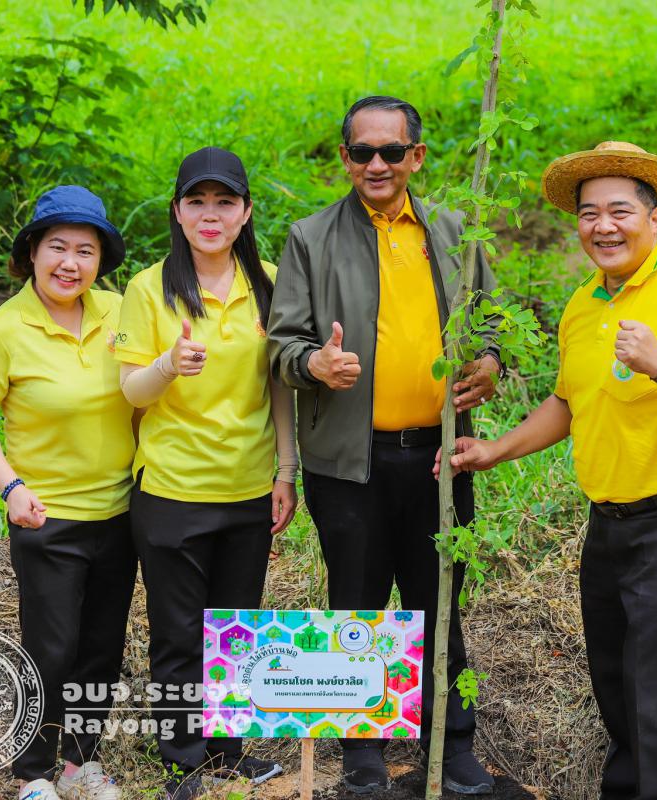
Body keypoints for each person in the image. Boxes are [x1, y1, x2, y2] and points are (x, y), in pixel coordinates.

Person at [443, 141, 657, 800]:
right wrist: (494, 450)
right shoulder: (583, 304)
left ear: (655, 217)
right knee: (614, 676)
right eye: (589, 214)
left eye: (620, 212)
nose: (603, 227)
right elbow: (568, 403)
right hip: (610, 519)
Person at [267, 95, 500, 795]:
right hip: (349, 461)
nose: (377, 164)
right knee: (358, 599)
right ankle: (363, 747)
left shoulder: (454, 231)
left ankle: (450, 741)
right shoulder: (310, 237)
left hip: (439, 456)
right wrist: (315, 364)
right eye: (362, 151)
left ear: (415, 157)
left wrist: (490, 362)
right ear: (345, 158)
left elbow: (492, 325)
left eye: (391, 151)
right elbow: (280, 345)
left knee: (439, 600)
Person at [115, 147, 298, 800]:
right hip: (172, 490)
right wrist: (167, 365)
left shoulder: (271, 283)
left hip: (248, 488)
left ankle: (228, 754)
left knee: (236, 632)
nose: (210, 215)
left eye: (225, 202)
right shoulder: (148, 288)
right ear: (177, 211)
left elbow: (279, 385)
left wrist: (286, 470)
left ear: (246, 212)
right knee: (178, 635)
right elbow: (131, 390)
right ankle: (183, 761)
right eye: (197, 202)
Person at [0, 185, 135, 800]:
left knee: (101, 648)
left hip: (121, 512)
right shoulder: (3, 330)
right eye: (57, 247)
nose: (70, 263)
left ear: (100, 260)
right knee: (51, 650)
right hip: (46, 518)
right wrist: (11, 486)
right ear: (32, 251)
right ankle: (33, 771)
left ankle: (81, 764)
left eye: (85, 251)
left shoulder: (121, 312)